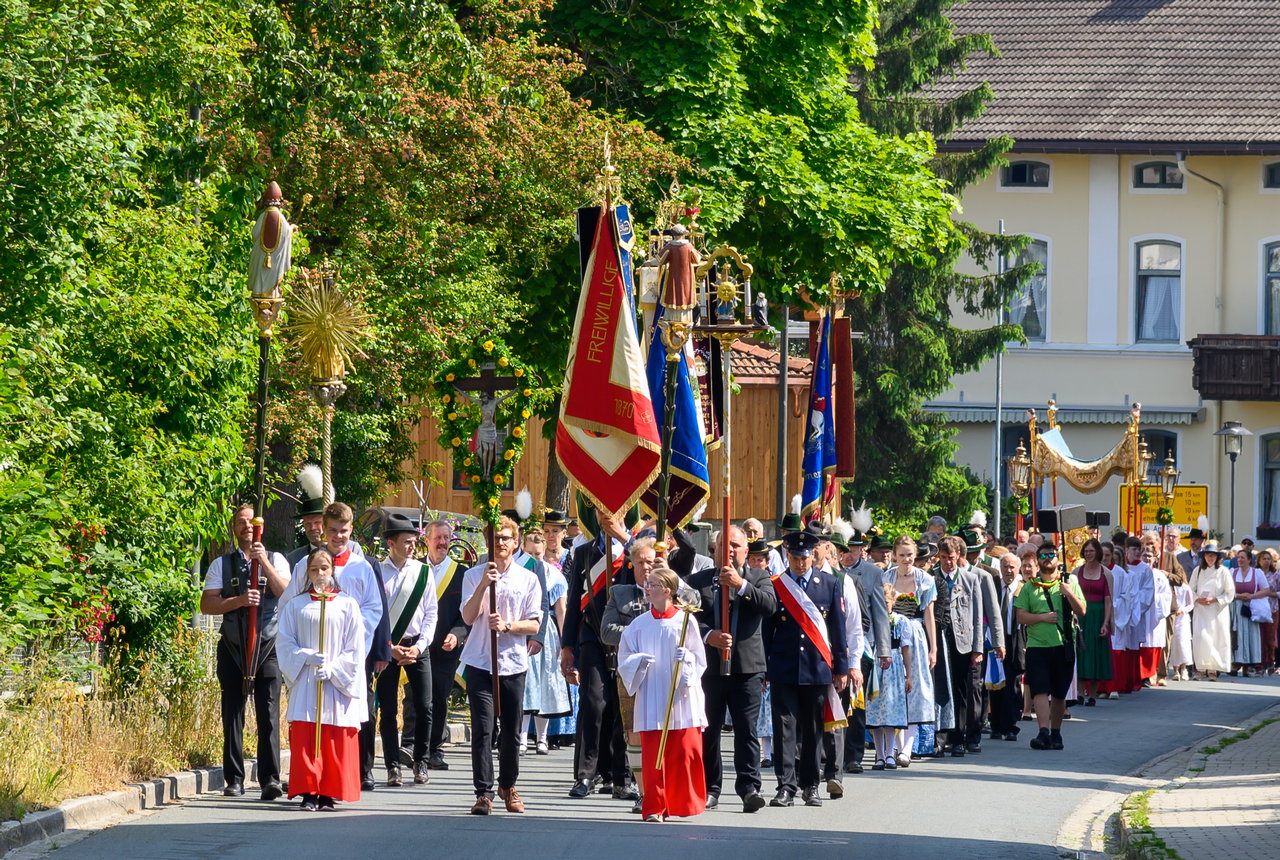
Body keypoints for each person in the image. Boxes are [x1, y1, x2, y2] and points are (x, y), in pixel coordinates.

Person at [285, 502, 392, 792]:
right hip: (313, 656)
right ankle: (313, 778)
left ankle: (361, 769)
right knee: (313, 716)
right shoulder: (306, 566)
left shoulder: (362, 566)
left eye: (343, 531)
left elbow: (374, 608)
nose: (338, 537)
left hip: (349, 654)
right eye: (332, 531)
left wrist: (353, 638)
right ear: (323, 530)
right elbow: (290, 604)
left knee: (359, 709)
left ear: (351, 530)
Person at [200, 503, 291, 800]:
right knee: (233, 713)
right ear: (234, 528)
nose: (247, 527)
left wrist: (263, 562)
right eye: (241, 522)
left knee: (268, 713)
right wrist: (238, 600)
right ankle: (234, 779)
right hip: (233, 646)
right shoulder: (221, 565)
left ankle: (270, 779)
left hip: (268, 646)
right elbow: (207, 605)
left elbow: (286, 594)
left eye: (251, 522)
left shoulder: (276, 558)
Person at [687, 525, 778, 813]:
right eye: (724, 546)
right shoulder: (698, 581)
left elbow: (769, 606)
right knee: (709, 730)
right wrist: (707, 635)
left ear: (746, 551)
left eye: (736, 546)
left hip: (747, 668)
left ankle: (749, 787)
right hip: (710, 668)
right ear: (714, 551)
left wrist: (741, 585)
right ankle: (709, 788)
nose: (730, 551)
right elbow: (686, 617)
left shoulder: (760, 577)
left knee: (746, 730)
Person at [459, 516, 543, 814]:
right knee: (483, 727)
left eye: (506, 538)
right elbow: (468, 617)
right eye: (495, 538)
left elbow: (534, 624)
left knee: (511, 731)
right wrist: (484, 584)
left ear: (516, 542)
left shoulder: (528, 578)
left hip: (512, 663)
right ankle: (484, 792)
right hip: (480, 661)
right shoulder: (473, 575)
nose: (501, 543)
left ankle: (508, 785)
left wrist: (507, 625)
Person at [763, 530, 848, 808]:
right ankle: (785, 786)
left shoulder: (829, 584)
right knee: (784, 729)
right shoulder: (777, 585)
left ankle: (811, 785)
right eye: (795, 557)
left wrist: (841, 668)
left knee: (813, 731)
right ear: (788, 556)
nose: (800, 563)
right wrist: (764, 668)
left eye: (805, 557)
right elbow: (767, 631)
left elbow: (838, 629)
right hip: (784, 667)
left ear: (814, 555)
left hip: (816, 667)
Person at [617, 563, 708, 822]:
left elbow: (700, 660)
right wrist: (638, 662)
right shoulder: (638, 625)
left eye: (653, 585)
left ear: (668, 591)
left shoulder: (685, 621)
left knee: (684, 753)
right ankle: (655, 806)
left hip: (680, 697)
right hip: (651, 694)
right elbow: (624, 659)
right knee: (654, 756)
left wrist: (687, 659)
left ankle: (682, 804)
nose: (647, 588)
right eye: (647, 584)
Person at [277, 548, 366, 810]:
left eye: (324, 568)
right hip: (306, 679)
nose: (320, 574)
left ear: (333, 571)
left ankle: (329, 791)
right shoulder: (296, 605)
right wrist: (304, 656)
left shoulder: (348, 605)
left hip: (336, 683)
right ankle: (309, 791)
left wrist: (336, 668)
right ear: (307, 573)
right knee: (307, 735)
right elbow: (284, 642)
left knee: (332, 736)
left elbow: (355, 648)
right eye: (314, 569)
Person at [561, 506, 638, 801]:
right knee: (592, 702)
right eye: (600, 509)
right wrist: (568, 647)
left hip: (628, 637)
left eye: (613, 510)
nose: (605, 515)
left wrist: (624, 537)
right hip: (592, 635)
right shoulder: (583, 553)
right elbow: (573, 604)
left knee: (622, 708)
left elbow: (653, 569)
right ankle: (585, 775)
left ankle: (622, 777)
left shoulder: (635, 548)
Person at [374, 514, 437, 787]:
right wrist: (388, 648)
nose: (412, 547)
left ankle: (421, 761)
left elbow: (431, 614)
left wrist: (420, 646)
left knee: (425, 706)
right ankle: (392, 766)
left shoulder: (423, 572)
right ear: (391, 542)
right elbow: (373, 614)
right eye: (406, 542)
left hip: (416, 646)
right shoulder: (377, 571)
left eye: (414, 542)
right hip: (388, 648)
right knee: (387, 709)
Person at [934, 535, 1003, 756]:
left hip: (963, 642)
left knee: (963, 691)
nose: (947, 562)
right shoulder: (931, 577)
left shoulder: (970, 579)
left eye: (951, 558)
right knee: (941, 690)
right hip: (939, 640)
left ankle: (960, 738)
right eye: (943, 558)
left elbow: (977, 616)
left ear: (959, 556)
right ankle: (941, 737)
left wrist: (977, 649)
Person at [1014, 542, 1086, 751]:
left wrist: (1069, 593)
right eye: (1043, 555)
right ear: (1038, 560)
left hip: (1063, 645)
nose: (1048, 559)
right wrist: (1042, 618)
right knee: (1040, 689)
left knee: (1059, 693)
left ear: (1057, 558)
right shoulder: (1030, 586)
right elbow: (1020, 615)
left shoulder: (1069, 581)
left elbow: (1081, 610)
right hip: (1037, 646)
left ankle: (1056, 733)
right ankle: (1043, 731)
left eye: (1051, 555)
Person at [834, 528, 891, 775]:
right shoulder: (831, 573)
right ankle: (833, 754)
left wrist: (884, 650)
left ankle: (853, 755)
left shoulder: (873, 573)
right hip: (833, 644)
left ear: (862, 549)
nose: (847, 555)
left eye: (853, 549)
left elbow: (879, 613)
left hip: (861, 645)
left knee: (855, 703)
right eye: (844, 550)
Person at [519, 527, 572, 755]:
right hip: (523, 627)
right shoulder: (518, 571)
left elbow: (561, 611)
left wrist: (564, 642)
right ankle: (520, 738)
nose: (535, 558)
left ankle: (542, 738)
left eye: (538, 554)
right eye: (530, 554)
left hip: (547, 631)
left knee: (545, 683)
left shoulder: (554, 576)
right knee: (526, 685)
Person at [886, 535, 938, 764]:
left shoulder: (925, 580)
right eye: (902, 555)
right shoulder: (886, 577)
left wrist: (933, 647)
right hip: (892, 635)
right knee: (894, 691)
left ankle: (908, 747)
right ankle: (896, 747)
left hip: (916, 636)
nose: (906, 559)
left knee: (915, 690)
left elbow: (929, 615)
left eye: (909, 554)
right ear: (895, 555)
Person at [421, 520, 468, 771]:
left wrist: (458, 633)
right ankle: (413, 745)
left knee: (439, 698)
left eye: (446, 538)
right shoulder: (414, 569)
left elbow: (467, 613)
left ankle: (435, 749)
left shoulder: (461, 573)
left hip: (445, 647)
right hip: (417, 645)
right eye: (437, 537)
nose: (442, 543)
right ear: (426, 539)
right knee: (415, 699)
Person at [865, 582, 911, 770]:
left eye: (887, 601)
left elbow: (906, 649)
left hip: (894, 666)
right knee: (875, 711)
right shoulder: (871, 620)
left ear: (893, 600)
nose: (884, 605)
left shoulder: (900, 621)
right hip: (874, 666)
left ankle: (891, 752)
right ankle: (880, 755)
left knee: (891, 711)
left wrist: (909, 675)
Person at [989, 551, 1026, 740]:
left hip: (1015, 640)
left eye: (1012, 567)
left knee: (1012, 683)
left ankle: (1011, 725)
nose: (1008, 570)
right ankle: (995, 724)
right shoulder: (994, 586)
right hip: (995, 641)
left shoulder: (1023, 588)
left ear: (1018, 569)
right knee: (995, 683)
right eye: (1005, 566)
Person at [1073, 539, 1113, 706]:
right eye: (1086, 551)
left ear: (1097, 552)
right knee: (1082, 654)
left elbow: (1108, 600)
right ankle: (1081, 693)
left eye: (1091, 551)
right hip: (1081, 616)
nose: (1088, 554)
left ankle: (1093, 694)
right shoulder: (1076, 572)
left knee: (1097, 654)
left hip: (1097, 616)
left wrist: (1105, 623)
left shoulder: (1106, 574)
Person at [1189, 542, 1234, 680]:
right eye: (1208, 555)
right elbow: (1190, 590)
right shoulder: (1198, 571)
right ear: (1204, 556)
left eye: (1213, 555)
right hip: (1201, 609)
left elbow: (1230, 593)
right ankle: (1201, 669)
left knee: (1216, 639)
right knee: (1201, 638)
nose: (1210, 558)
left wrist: (1215, 599)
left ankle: (1213, 670)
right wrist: (1197, 599)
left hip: (1217, 611)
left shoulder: (1223, 571)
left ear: (1217, 557)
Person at [1230, 547, 1274, 676]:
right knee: (1238, 635)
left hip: (1252, 608)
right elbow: (1227, 590)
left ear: (1249, 560)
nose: (1239, 560)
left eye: (1242, 557)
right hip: (1237, 608)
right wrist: (1238, 595)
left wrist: (1251, 596)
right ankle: (1237, 662)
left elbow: (1266, 590)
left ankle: (1252, 664)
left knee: (1253, 635)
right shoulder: (1232, 571)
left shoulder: (1257, 573)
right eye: (1238, 557)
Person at [1138, 546, 1172, 687]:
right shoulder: (1137, 572)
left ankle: (1147, 675)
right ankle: (1138, 675)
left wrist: (1154, 597)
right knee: (1139, 643)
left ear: (1155, 558)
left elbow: (1166, 595)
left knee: (1151, 644)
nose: (1147, 558)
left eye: (1149, 556)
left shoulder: (1159, 576)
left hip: (1154, 612)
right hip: (1140, 612)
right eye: (1144, 555)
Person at [1167, 564, 1194, 681]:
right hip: (1172, 617)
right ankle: (1175, 669)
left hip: (1182, 618)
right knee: (1173, 643)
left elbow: (1191, 604)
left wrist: (1182, 610)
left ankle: (1184, 668)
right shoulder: (1169, 587)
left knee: (1182, 642)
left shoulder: (1185, 587)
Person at [1259, 548, 1280, 674]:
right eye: (1264, 559)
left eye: (1268, 559)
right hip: (1259, 608)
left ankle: (1270, 661)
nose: (1266, 561)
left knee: (1270, 637)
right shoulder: (1256, 573)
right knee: (1260, 636)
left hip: (1272, 608)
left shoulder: (1276, 574)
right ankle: (1260, 662)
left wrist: (1271, 594)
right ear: (1259, 561)